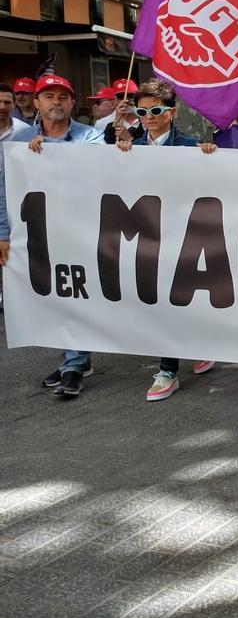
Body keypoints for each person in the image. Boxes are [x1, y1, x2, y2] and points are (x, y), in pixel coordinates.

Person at [0, 75, 105, 398]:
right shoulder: (17, 144)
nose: (55, 103)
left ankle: (74, 363)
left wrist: (53, 157)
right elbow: (5, 192)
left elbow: (99, 170)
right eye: (49, 97)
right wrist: (4, 234)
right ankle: (71, 359)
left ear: (72, 103)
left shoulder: (91, 136)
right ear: (36, 102)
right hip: (38, 234)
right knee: (54, 297)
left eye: (62, 97)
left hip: (80, 232)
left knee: (77, 294)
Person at [116, 80, 220, 400]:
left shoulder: (190, 145)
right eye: (142, 111)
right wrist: (116, 146)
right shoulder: (127, 144)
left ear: (171, 113)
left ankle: (168, 369)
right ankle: (181, 356)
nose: (149, 116)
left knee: (178, 295)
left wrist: (210, 157)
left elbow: (210, 181)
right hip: (144, 234)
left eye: (156, 110)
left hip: (181, 233)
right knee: (163, 297)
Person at [101, 79, 144, 144]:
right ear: (115, 100)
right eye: (121, 96)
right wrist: (116, 121)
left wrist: (129, 138)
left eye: (131, 96)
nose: (126, 100)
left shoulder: (147, 120)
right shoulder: (102, 123)